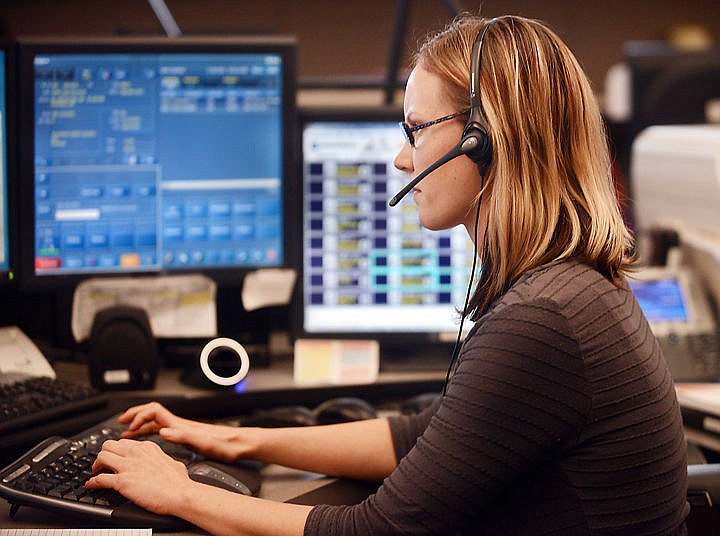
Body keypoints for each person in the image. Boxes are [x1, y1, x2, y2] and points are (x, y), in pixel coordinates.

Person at [86, 14, 690, 535]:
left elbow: (381, 529)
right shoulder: (569, 283)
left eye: (414, 131)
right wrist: (232, 438)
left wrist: (182, 492)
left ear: (484, 138)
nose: (401, 158)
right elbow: (421, 437)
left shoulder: (545, 317)